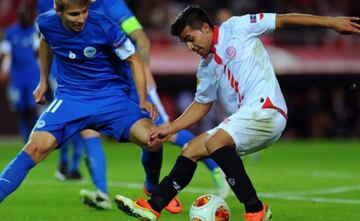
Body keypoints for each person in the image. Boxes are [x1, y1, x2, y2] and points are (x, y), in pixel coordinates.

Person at [114, 4, 360, 221]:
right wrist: (170, 127)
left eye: (190, 38)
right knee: (191, 150)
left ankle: (255, 208)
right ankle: (154, 206)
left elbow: (283, 19)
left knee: (217, 141)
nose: (190, 46)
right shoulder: (206, 67)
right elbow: (202, 104)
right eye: (185, 42)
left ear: (206, 28)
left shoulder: (238, 27)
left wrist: (330, 23)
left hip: (268, 109)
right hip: (247, 119)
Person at [0, 0, 162, 205]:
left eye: (84, 11)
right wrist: (43, 82)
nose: (82, 18)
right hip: (71, 98)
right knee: (33, 149)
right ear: (58, 11)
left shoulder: (105, 25)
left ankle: (152, 185)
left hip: (111, 98)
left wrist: (142, 99)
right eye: (74, 14)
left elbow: (134, 59)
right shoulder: (46, 23)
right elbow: (45, 41)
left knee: (153, 140)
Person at [0, 1, 39, 144]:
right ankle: (25, 139)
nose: (26, 17)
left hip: (33, 75)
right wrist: (4, 69)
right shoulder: (11, 32)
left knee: (32, 108)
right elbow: (5, 53)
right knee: (21, 109)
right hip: (17, 76)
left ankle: (34, 137)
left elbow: (40, 53)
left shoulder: (36, 31)